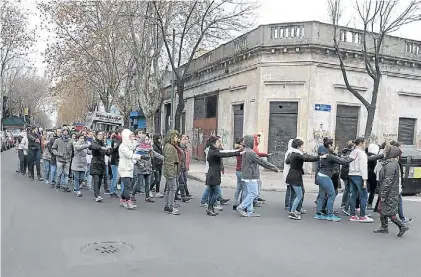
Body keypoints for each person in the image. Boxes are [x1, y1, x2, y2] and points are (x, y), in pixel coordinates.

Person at [237, 135, 279, 217]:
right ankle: (242, 207)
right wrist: (274, 168)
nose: (254, 142)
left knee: (250, 193)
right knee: (254, 193)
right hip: (250, 175)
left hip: (247, 174)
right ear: (249, 142)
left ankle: (250, 211)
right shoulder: (251, 152)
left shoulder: (246, 150)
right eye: (252, 141)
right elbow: (261, 162)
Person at [374, 144, 409, 237]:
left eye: (386, 151)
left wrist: (383, 194)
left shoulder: (391, 165)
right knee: (382, 209)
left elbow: (387, 181)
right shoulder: (390, 163)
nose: (384, 152)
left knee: (389, 212)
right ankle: (384, 227)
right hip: (389, 192)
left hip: (389, 193)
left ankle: (402, 226)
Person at [314, 138, 353, 222]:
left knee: (321, 196)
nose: (334, 146)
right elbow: (342, 161)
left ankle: (318, 214)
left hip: (320, 175)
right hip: (325, 176)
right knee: (332, 194)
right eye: (333, 145)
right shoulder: (330, 156)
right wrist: (352, 158)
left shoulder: (324, 154)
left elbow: (338, 157)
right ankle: (330, 214)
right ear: (329, 145)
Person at [285, 138, 323, 220]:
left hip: (290, 175)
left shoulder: (292, 153)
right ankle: (292, 212)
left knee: (293, 195)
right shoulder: (297, 154)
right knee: (299, 195)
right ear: (299, 146)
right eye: (302, 146)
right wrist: (319, 157)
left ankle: (291, 210)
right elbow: (307, 158)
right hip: (295, 176)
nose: (303, 147)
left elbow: (287, 161)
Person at [206, 136, 242, 216]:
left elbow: (225, 151)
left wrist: (236, 150)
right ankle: (210, 207)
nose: (220, 143)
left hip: (212, 174)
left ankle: (210, 208)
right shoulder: (214, 152)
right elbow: (225, 154)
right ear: (214, 143)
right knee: (216, 192)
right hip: (213, 175)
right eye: (218, 142)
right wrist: (238, 153)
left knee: (212, 192)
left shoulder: (213, 150)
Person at [118, 129, 144, 209]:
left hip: (129, 167)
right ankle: (128, 202)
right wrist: (140, 157)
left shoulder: (130, 145)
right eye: (130, 136)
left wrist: (137, 161)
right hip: (124, 167)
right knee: (127, 185)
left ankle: (122, 199)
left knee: (128, 185)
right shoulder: (122, 146)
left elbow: (132, 156)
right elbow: (129, 155)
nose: (132, 137)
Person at [134, 134, 163, 203]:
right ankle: (132, 195)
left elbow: (156, 154)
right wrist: (141, 165)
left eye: (148, 139)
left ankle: (147, 197)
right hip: (141, 168)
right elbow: (135, 159)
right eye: (146, 139)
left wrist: (164, 158)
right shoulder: (138, 149)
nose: (147, 141)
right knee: (138, 183)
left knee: (147, 183)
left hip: (148, 168)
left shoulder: (149, 148)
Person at [348, 137, 372, 222]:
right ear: (361, 143)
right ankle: (362, 215)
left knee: (353, 195)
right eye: (364, 143)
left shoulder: (352, 152)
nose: (365, 145)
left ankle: (352, 215)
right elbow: (363, 167)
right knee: (364, 195)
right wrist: (365, 179)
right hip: (359, 175)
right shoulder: (362, 153)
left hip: (351, 174)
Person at [163, 130, 181, 215]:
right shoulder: (170, 147)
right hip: (171, 171)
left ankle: (167, 205)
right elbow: (169, 162)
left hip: (171, 170)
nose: (177, 139)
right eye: (176, 137)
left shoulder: (171, 146)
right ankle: (170, 206)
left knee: (168, 189)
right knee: (173, 188)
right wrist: (171, 174)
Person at [51, 127, 73, 192]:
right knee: (59, 174)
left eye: (67, 131)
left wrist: (71, 155)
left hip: (67, 160)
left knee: (66, 174)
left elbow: (73, 149)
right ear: (62, 132)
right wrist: (57, 153)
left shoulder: (71, 140)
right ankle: (58, 186)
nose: (65, 132)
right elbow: (53, 148)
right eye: (64, 131)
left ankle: (65, 186)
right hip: (60, 159)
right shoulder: (57, 140)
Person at [175, 134, 192, 203]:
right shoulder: (179, 147)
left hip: (183, 166)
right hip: (179, 166)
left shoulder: (184, 147)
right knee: (181, 182)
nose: (185, 140)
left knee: (182, 181)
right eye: (183, 139)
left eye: (186, 139)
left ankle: (178, 195)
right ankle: (182, 196)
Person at [340, 140, 355, 215]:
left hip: (344, 173)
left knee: (347, 189)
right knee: (349, 189)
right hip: (348, 173)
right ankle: (345, 204)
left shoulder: (344, 152)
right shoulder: (350, 153)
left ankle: (343, 203)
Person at [233, 137, 246, 210]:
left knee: (238, 187)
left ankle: (235, 203)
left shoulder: (237, 149)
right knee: (244, 189)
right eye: (243, 141)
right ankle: (242, 205)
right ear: (241, 142)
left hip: (238, 170)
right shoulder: (242, 150)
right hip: (242, 170)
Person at [109, 129, 122, 198]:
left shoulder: (122, 140)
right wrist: (116, 147)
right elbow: (113, 150)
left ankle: (113, 190)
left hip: (119, 160)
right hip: (114, 160)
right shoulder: (115, 140)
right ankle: (112, 191)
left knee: (118, 177)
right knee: (115, 177)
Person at [283, 139, 294, 211]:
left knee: (289, 189)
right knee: (290, 189)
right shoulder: (290, 152)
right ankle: (287, 204)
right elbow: (288, 162)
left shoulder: (289, 151)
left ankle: (288, 204)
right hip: (289, 173)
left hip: (289, 172)